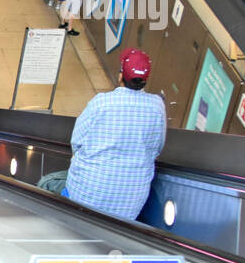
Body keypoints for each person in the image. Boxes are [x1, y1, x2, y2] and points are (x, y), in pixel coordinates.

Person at [58, 49, 167, 221]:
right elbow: (157, 147)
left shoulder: (101, 102)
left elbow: (77, 142)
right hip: (130, 204)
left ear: (121, 75)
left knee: (49, 183)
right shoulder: (157, 107)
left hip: (86, 193)